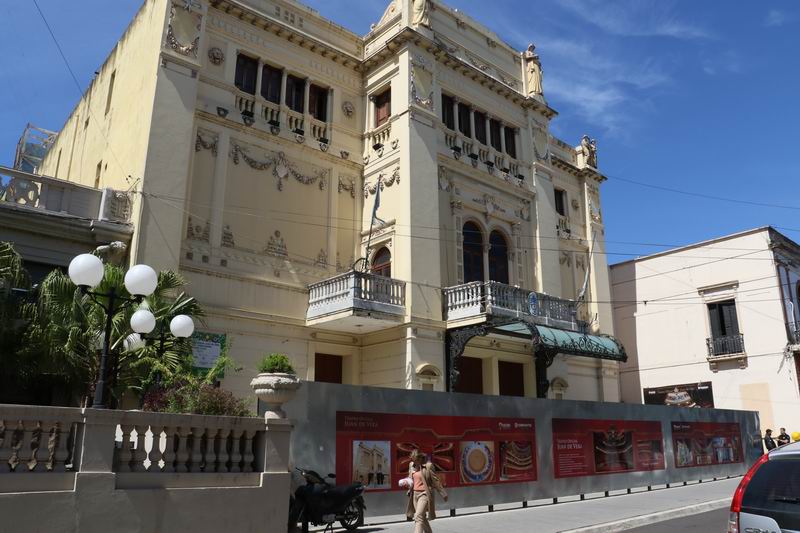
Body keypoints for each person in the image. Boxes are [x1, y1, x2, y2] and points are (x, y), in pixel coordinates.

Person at [405, 450, 448, 533]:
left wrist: (443, 493)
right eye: (413, 460)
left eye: (416, 460)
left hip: (424, 494)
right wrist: (407, 483)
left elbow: (436, 481)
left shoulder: (428, 466)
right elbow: (410, 478)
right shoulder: (411, 465)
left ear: (420, 458)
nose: (414, 462)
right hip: (414, 495)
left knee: (418, 516)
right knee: (422, 517)